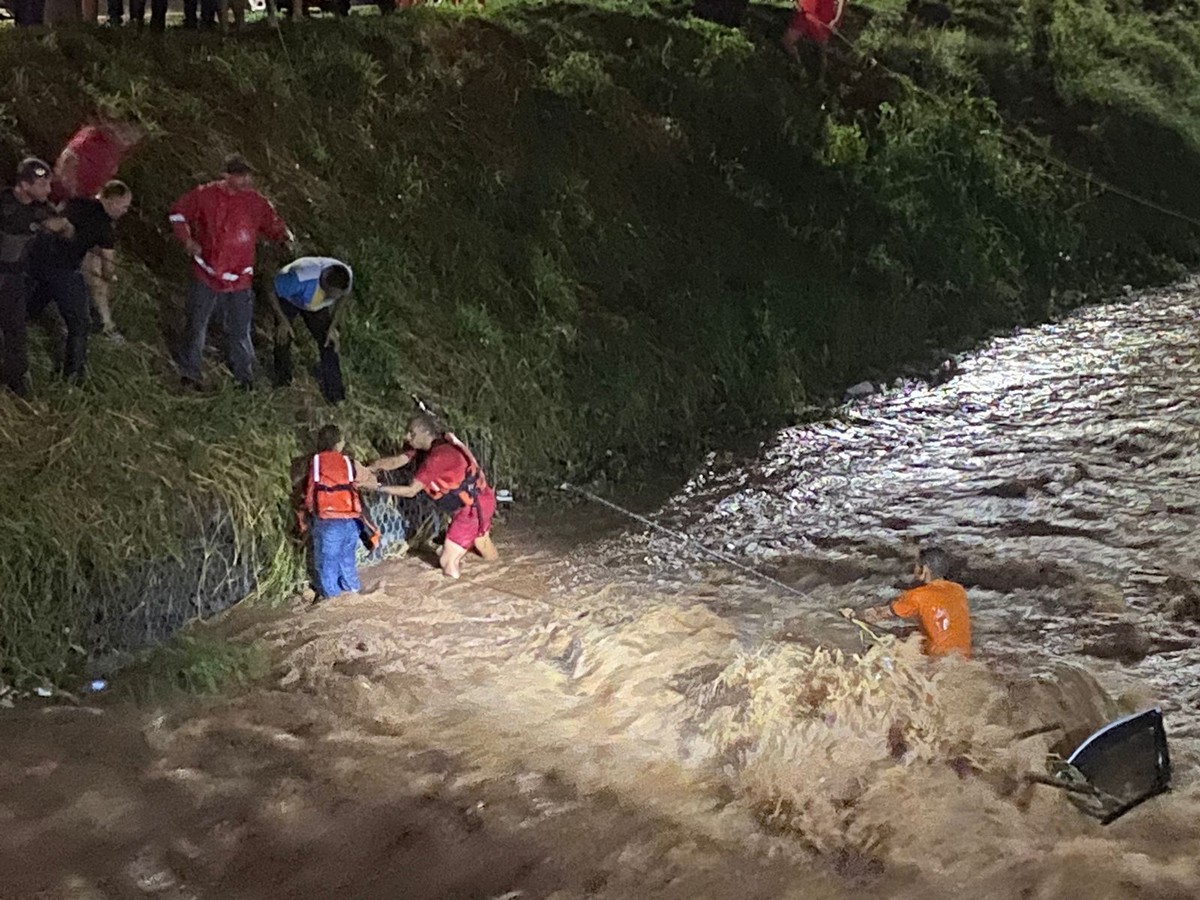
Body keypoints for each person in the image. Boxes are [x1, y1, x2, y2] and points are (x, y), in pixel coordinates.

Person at [169, 154, 292, 392]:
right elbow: (178, 214)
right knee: (197, 325)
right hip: (207, 273)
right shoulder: (204, 195)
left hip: (239, 279)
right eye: (241, 175)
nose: (247, 180)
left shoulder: (256, 202)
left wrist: (283, 236)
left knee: (240, 330)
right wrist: (186, 240)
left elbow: (273, 225)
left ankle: (245, 378)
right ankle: (189, 373)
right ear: (226, 175)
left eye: (249, 175)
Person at [364, 413, 498, 580]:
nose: (407, 436)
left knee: (447, 561)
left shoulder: (438, 458)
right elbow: (398, 461)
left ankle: (456, 599)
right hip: (480, 501)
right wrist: (371, 468)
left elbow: (411, 490)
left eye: (411, 433)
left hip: (471, 508)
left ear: (426, 434)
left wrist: (377, 487)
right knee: (482, 543)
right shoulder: (432, 446)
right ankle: (500, 571)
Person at [27, 181, 133, 383]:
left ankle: (15, 330)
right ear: (112, 201)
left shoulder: (75, 202)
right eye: (124, 206)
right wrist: (110, 277)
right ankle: (73, 377)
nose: (125, 211)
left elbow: (54, 219)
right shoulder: (105, 227)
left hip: (37, 260)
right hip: (63, 270)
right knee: (80, 324)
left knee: (33, 302)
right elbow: (108, 267)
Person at [52, 119, 143, 338]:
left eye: (133, 140)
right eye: (127, 136)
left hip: (86, 208)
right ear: (118, 127)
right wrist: (71, 197)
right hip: (66, 206)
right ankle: (72, 318)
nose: (128, 143)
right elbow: (67, 161)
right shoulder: (92, 139)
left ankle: (104, 322)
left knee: (89, 268)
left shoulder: (115, 150)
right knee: (69, 264)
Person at [0, 159, 74, 398]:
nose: (48, 190)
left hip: (13, 279)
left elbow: (68, 230)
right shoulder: (5, 202)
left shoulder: (41, 208)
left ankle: (15, 380)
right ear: (23, 185)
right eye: (42, 184)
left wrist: (60, 226)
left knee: (16, 330)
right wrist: (34, 227)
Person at [846, 546, 972, 658]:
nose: (914, 569)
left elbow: (877, 615)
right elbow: (942, 626)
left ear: (925, 569)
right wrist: (903, 631)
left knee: (874, 653)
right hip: (962, 657)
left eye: (916, 565)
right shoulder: (958, 590)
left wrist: (854, 615)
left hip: (935, 660)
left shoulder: (917, 596)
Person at [270, 257, 353, 404]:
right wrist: (282, 320)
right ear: (324, 284)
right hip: (290, 299)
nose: (333, 298)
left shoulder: (346, 277)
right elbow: (270, 287)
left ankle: (335, 394)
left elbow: (343, 299)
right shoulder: (299, 279)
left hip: (315, 307)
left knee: (329, 342)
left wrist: (332, 327)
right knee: (283, 336)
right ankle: (282, 382)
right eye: (331, 294)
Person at [302, 424, 365, 601]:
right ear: (338, 444)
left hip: (328, 523)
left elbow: (309, 493)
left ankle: (332, 601)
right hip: (351, 523)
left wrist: (306, 515)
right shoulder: (348, 462)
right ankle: (354, 594)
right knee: (347, 562)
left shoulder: (315, 462)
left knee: (326, 564)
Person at [782, 0, 846, 79]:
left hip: (821, 16)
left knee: (821, 50)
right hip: (804, 12)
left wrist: (837, 19)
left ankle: (821, 80)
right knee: (788, 41)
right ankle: (799, 68)